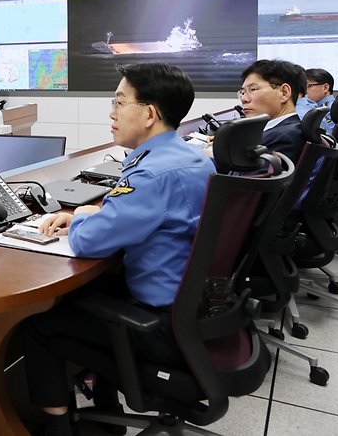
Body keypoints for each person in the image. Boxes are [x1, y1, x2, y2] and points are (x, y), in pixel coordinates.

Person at [23, 63, 215, 436]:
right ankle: (106, 411)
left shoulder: (151, 174)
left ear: (148, 113)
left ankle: (58, 429)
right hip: (195, 311)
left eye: (119, 102)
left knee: (38, 326)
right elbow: (151, 210)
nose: (112, 113)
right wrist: (103, 210)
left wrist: (79, 214)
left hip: (161, 327)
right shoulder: (192, 157)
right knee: (88, 292)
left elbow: (87, 241)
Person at [238, 60, 307, 163]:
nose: (244, 99)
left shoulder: (282, 138)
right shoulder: (287, 129)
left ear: (284, 93)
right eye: (243, 92)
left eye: (253, 89)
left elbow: (247, 178)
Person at [295, 68, 335, 134]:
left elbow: (328, 134)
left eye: (308, 86)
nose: (305, 91)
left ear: (325, 88)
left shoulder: (328, 110)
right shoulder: (323, 106)